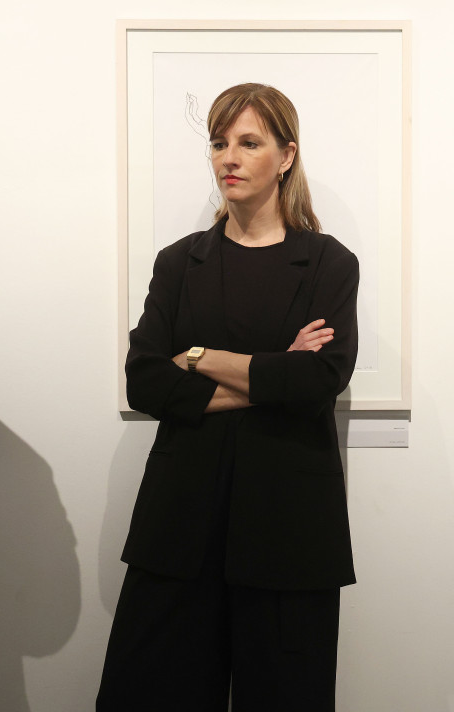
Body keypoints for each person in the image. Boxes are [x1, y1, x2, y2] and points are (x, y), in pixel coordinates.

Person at [97, 83, 358, 712]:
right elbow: (145, 380)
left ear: (286, 156)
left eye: (249, 143)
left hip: (288, 525)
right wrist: (272, 374)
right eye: (219, 143)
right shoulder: (178, 263)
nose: (229, 159)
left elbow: (319, 380)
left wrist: (196, 357)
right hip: (182, 518)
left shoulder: (328, 263)